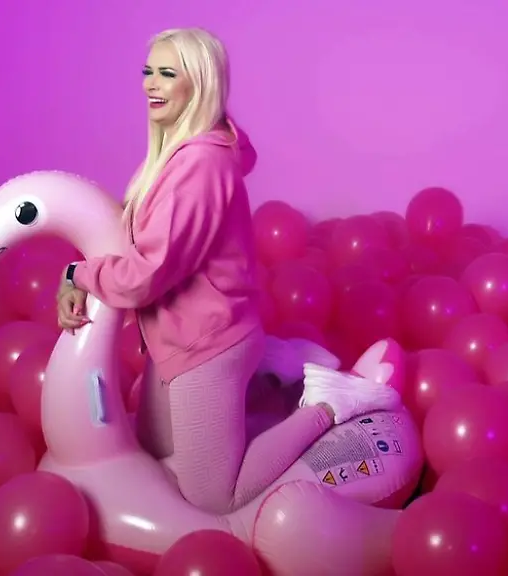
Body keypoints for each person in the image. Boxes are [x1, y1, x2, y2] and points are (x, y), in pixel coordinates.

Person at [55, 27, 396, 515]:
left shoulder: (199, 166)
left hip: (210, 342)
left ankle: (328, 402)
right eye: (148, 71)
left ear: (199, 84)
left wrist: (78, 275)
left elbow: (146, 276)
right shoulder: (186, 147)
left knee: (214, 495)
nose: (151, 84)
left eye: (167, 74)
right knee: (155, 448)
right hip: (179, 336)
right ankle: (272, 373)